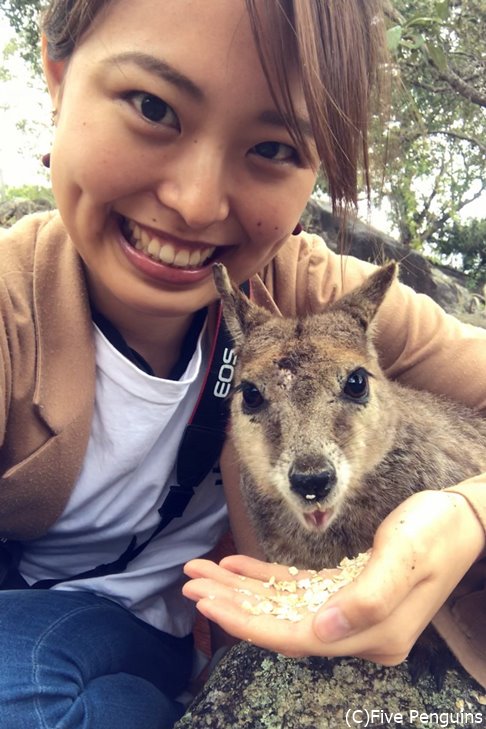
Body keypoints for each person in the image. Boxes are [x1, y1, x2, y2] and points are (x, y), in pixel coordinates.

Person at [0, 0, 485, 727]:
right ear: (59, 76)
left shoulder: (309, 296)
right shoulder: (15, 310)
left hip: (198, 632)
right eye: (152, 106)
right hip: (44, 615)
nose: (195, 205)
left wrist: (468, 514)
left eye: (275, 148)